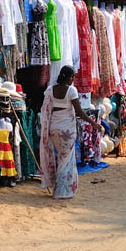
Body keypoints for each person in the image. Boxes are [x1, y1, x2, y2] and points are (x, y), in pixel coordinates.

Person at [39, 65, 97, 199]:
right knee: (65, 160)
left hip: (54, 129)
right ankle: (62, 191)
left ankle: (59, 188)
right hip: (67, 131)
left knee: (61, 157)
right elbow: (79, 112)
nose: (73, 80)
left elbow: (47, 109)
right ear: (70, 77)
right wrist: (94, 123)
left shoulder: (49, 90)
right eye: (73, 77)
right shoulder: (71, 91)